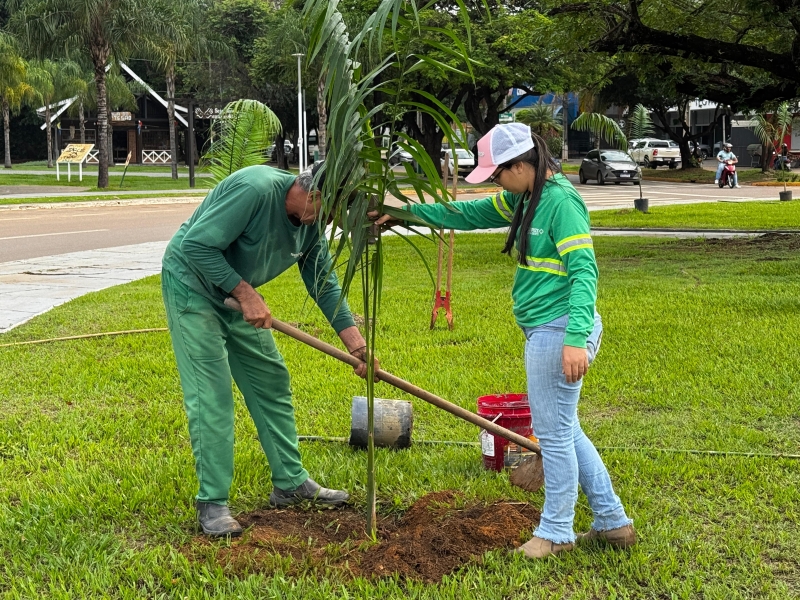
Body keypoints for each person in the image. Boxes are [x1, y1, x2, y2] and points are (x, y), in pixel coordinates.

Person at [372, 123, 635, 559]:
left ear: (523, 164)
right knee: (567, 432)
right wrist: (404, 212)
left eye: (498, 173)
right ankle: (613, 523)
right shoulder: (524, 198)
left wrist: (574, 339)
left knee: (553, 436)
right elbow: (466, 215)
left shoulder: (560, 203)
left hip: (560, 328)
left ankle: (556, 532)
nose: (495, 181)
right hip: (545, 328)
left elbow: (585, 272)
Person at [162, 161, 375, 537]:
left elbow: (322, 281)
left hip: (238, 297)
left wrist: (356, 344)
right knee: (211, 393)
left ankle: (290, 483)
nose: (327, 222)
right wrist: (245, 293)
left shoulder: (311, 225)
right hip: (193, 287)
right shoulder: (256, 189)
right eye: (329, 212)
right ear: (312, 193)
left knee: (271, 381)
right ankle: (212, 502)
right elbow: (196, 246)